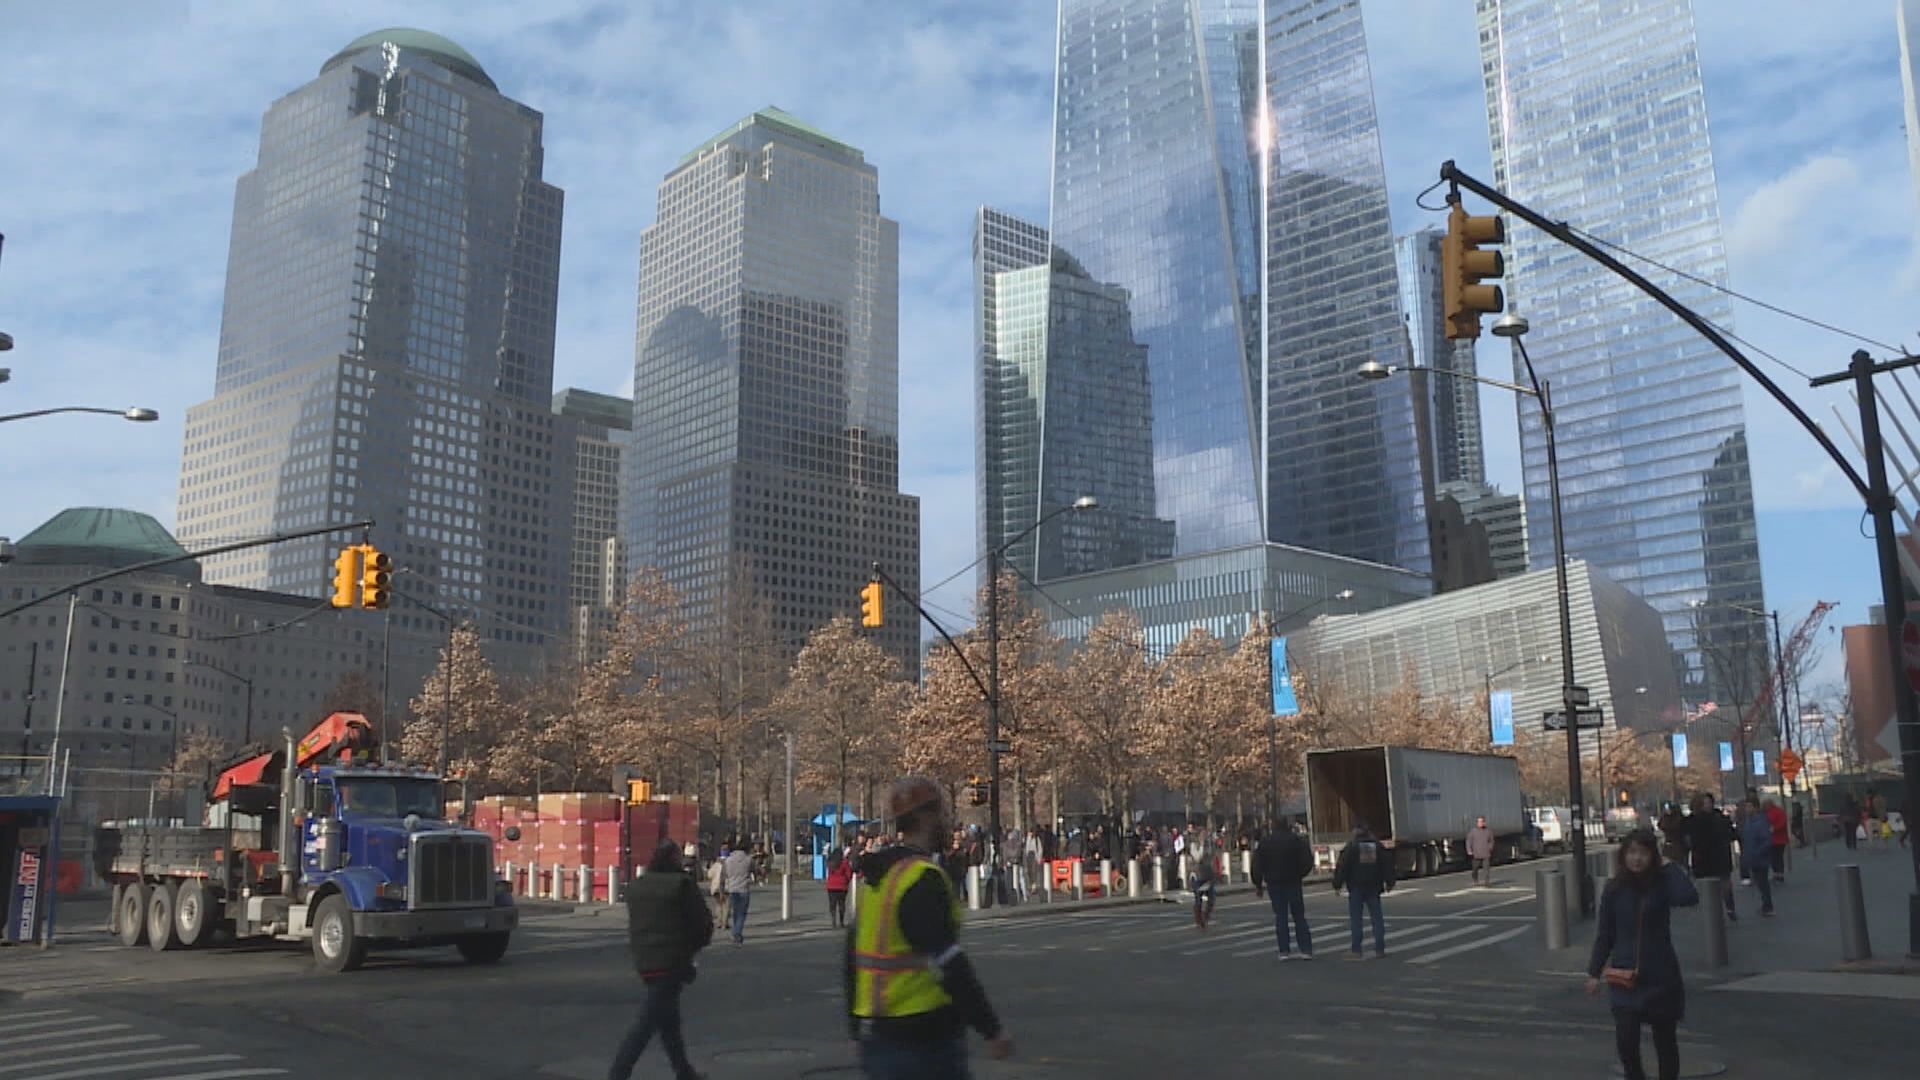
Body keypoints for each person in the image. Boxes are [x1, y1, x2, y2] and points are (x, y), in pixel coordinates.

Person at [847, 776, 1011, 1078]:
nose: (946, 821)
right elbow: (949, 962)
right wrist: (991, 1029)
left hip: (878, 1033)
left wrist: (855, 1029)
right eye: (940, 813)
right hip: (926, 1036)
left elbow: (852, 957)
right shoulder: (922, 878)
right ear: (925, 817)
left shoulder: (876, 880)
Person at [1587, 829, 1698, 1080]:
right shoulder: (1614, 889)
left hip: (1660, 974)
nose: (1637, 859)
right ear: (1624, 855)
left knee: (1665, 1042)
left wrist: (1669, 866)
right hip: (1624, 976)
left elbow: (1688, 896)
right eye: (1632, 852)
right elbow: (1605, 934)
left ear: (1653, 856)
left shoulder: (1661, 884)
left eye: (1644, 853)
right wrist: (1594, 972)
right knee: (1626, 1042)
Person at [609, 841, 713, 1080]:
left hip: (645, 959)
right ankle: (617, 1074)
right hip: (673, 961)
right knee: (645, 1024)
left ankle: (684, 1071)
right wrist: (693, 950)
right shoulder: (682, 885)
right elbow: (702, 924)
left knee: (668, 1022)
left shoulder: (638, 886)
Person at [1251, 817, 1315, 960]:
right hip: (1293, 880)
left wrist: (1258, 884)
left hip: (1274, 882)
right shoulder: (1296, 840)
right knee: (1298, 915)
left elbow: (1257, 864)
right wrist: (1300, 874)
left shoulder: (1266, 842)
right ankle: (1305, 949)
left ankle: (1284, 950)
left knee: (1281, 916)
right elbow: (1307, 861)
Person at [1332, 822, 1394, 958]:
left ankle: (1356, 949)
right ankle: (1379, 948)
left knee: (1356, 919)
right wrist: (1389, 883)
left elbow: (1343, 867)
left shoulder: (1352, 847)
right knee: (1377, 918)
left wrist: (1337, 884)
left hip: (1356, 887)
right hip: (1373, 886)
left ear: (1356, 831)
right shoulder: (1376, 846)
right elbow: (1386, 865)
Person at [1686, 793, 1736, 922]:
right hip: (1706, 859)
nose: (1708, 805)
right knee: (1710, 887)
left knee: (1723, 885)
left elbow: (1731, 834)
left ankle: (1728, 908)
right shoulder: (1693, 821)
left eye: (1708, 802)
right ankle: (1716, 912)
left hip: (1718, 856)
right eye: (1705, 803)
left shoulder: (1717, 818)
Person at [1739, 796, 1775, 916]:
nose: (1747, 809)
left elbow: (1766, 840)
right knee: (1760, 883)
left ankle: (1768, 906)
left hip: (1759, 858)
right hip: (1753, 857)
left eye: (1749, 806)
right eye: (1746, 806)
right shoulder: (1749, 822)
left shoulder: (1759, 822)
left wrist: (1757, 853)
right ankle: (1766, 905)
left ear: (1755, 808)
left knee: (1763, 883)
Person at [721, 838, 753, 945]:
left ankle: (735, 932)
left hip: (732, 889)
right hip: (744, 889)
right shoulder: (748, 859)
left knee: (735, 913)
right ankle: (737, 933)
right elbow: (755, 870)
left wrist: (722, 890)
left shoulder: (728, 860)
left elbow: (723, 876)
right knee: (741, 914)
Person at [1187, 830, 1217, 930]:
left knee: (1212, 898)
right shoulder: (1194, 846)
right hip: (1197, 876)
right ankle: (1199, 920)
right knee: (1198, 900)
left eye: (1206, 835)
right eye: (1202, 835)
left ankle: (1206, 916)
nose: (1204, 837)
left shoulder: (1209, 845)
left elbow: (1212, 857)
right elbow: (1198, 858)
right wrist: (1202, 846)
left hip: (1208, 874)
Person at [826, 845, 855, 929]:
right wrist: (847, 881)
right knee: (841, 904)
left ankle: (833, 921)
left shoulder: (830, 862)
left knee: (832, 904)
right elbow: (849, 874)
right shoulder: (844, 862)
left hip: (831, 886)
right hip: (842, 886)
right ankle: (841, 921)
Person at [1763, 799, 1788, 883]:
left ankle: (1779, 875)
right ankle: (1776, 874)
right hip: (1771, 839)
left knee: (1778, 857)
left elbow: (1782, 823)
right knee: (1773, 858)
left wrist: (1774, 828)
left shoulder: (1778, 812)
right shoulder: (1766, 813)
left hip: (1779, 839)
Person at [1467, 815, 1496, 887]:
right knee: (1475, 869)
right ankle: (1475, 879)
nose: (1480, 823)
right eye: (1479, 822)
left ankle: (1487, 882)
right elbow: (1468, 841)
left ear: (1484, 823)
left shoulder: (1488, 831)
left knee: (1486, 869)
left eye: (1481, 822)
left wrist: (1490, 848)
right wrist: (1469, 850)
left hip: (1486, 853)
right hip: (1476, 854)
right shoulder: (1473, 831)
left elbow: (1491, 841)